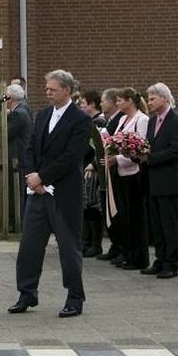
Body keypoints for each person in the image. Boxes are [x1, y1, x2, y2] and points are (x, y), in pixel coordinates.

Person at [9, 70, 91, 318]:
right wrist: (33, 177)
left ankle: (75, 298)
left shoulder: (80, 119)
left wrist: (43, 177)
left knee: (68, 249)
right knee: (29, 247)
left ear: (67, 90)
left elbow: (72, 156)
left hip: (64, 194)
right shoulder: (43, 115)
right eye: (46, 88)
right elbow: (31, 147)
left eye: (52, 89)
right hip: (37, 193)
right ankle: (27, 293)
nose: (47, 92)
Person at [144, 83, 178, 279]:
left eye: (152, 98)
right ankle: (160, 260)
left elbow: (176, 150)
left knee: (169, 224)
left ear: (164, 98)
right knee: (156, 224)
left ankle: (171, 264)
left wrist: (150, 158)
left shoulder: (177, 121)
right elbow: (148, 145)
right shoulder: (153, 121)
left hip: (168, 182)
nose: (149, 102)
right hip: (153, 181)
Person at [107, 87, 150, 271]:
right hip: (121, 173)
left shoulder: (142, 119)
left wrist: (117, 159)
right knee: (124, 216)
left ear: (129, 101)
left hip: (134, 172)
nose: (117, 104)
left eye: (119, 100)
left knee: (135, 217)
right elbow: (117, 140)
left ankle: (138, 257)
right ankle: (127, 252)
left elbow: (140, 146)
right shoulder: (123, 119)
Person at [97, 87, 126, 262]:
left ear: (112, 102)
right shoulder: (109, 121)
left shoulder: (117, 121)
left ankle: (121, 246)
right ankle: (116, 246)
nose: (101, 104)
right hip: (108, 168)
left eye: (103, 100)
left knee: (117, 211)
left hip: (116, 170)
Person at [77, 90, 106, 257]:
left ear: (92, 104)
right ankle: (86, 242)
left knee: (93, 206)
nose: (81, 106)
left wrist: (93, 164)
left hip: (93, 170)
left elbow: (100, 146)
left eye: (83, 103)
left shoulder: (99, 122)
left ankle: (95, 244)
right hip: (86, 167)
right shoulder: (89, 121)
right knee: (87, 206)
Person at [6, 84, 32, 228]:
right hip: (20, 156)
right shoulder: (23, 109)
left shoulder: (18, 113)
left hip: (17, 156)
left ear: (10, 98)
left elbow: (7, 132)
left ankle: (16, 222)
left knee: (16, 190)